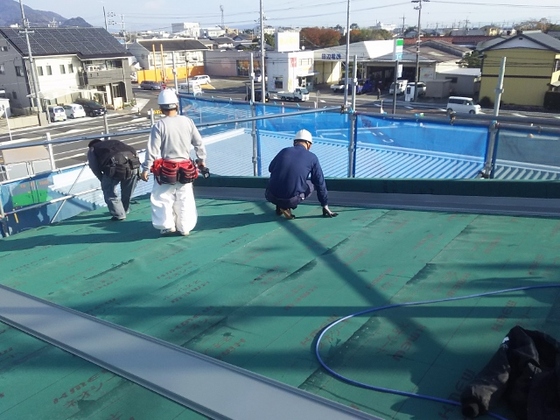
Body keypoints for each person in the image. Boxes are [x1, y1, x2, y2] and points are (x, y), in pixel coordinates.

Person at [140, 89, 207, 236]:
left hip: (167, 169)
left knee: (162, 197)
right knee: (185, 197)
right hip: (186, 167)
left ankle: (167, 225)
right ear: (176, 105)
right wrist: (201, 160)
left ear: (161, 108)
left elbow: (152, 150)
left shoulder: (159, 125)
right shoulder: (188, 121)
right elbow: (198, 143)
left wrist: (146, 168)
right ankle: (185, 227)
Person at [265, 129, 338, 219]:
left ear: (294, 142)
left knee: (279, 177)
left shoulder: (284, 151)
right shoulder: (312, 157)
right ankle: (285, 205)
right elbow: (320, 182)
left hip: (271, 195)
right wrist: (325, 204)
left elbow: (270, 168)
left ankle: (280, 206)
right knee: (311, 184)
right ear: (309, 144)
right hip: (291, 200)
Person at [87, 138, 140, 221]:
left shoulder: (93, 149)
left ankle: (119, 214)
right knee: (127, 191)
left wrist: (102, 179)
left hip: (115, 169)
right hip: (133, 165)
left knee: (109, 192)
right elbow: (134, 152)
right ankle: (125, 209)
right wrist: (138, 173)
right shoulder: (116, 142)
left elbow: (94, 167)